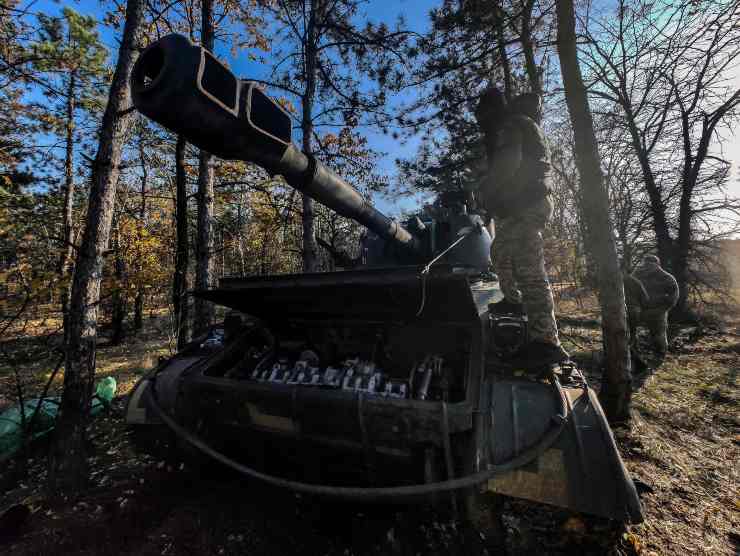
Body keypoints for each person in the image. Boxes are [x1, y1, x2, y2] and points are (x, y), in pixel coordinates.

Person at [475, 88, 569, 367]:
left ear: (490, 111)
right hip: (519, 205)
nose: (481, 121)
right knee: (500, 251)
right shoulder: (515, 124)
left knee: (529, 269)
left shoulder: (512, 125)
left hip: (529, 204)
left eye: (482, 114)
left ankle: (546, 342)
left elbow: (508, 163)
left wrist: (484, 189)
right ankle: (513, 300)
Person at [627, 255, 679, 355]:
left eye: (650, 264)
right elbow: (629, 290)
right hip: (644, 311)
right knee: (633, 334)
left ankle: (657, 355)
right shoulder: (637, 274)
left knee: (655, 336)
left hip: (649, 312)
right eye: (647, 264)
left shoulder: (666, 277)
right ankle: (637, 354)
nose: (648, 266)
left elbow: (672, 298)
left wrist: (658, 311)